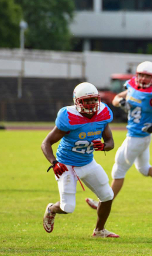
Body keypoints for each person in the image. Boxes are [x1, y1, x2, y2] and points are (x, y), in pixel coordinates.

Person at [85, 61, 152, 209]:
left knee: (118, 171)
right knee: (144, 168)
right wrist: (121, 102)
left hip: (137, 137)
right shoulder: (131, 86)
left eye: (147, 76)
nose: (143, 78)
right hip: (140, 138)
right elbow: (116, 98)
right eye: (141, 75)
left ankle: (103, 203)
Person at [41, 82, 118, 238]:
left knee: (107, 196)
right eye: (86, 101)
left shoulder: (103, 113)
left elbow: (110, 142)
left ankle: (99, 230)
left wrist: (103, 146)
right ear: (77, 102)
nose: (91, 104)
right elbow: (46, 143)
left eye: (93, 100)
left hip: (88, 162)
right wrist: (54, 162)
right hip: (66, 165)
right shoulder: (68, 117)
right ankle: (51, 209)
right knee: (67, 207)